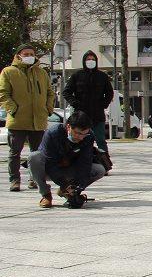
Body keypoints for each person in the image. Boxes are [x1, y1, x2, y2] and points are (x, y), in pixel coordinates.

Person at [1, 44, 54, 192]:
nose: (30, 56)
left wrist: (48, 108)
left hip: (38, 120)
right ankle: (15, 180)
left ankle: (34, 179)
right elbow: (3, 94)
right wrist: (13, 109)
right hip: (17, 120)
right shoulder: (8, 72)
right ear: (18, 56)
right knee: (14, 153)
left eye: (32, 53)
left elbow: (50, 92)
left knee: (37, 153)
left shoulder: (41, 73)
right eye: (26, 54)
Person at [28, 110, 105, 209]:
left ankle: (68, 192)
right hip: (48, 168)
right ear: (68, 127)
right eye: (78, 133)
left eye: (84, 134)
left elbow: (85, 163)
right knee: (34, 157)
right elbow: (50, 162)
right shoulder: (53, 133)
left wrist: (78, 188)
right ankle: (46, 195)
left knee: (99, 170)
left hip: (69, 168)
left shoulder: (89, 137)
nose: (81, 137)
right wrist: (64, 184)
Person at [63, 50, 114, 160]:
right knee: (79, 139)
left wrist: (103, 104)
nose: (90, 61)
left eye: (93, 59)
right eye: (88, 59)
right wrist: (75, 103)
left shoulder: (102, 76)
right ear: (84, 61)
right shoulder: (76, 76)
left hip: (97, 115)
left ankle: (105, 163)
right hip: (81, 115)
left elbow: (110, 93)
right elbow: (66, 92)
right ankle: (76, 161)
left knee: (100, 140)